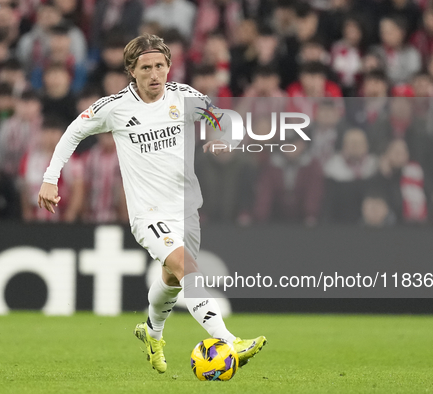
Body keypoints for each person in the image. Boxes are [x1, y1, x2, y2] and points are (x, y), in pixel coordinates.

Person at [37, 33, 266, 374]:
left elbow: (223, 120)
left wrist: (223, 140)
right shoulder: (114, 108)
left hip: (186, 209)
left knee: (173, 280)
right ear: (132, 70)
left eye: (160, 66)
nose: (155, 74)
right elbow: (73, 131)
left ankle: (151, 331)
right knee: (186, 268)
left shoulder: (184, 97)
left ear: (170, 67)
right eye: (146, 67)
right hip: (148, 213)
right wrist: (50, 177)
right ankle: (229, 340)